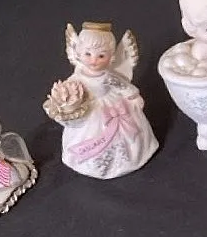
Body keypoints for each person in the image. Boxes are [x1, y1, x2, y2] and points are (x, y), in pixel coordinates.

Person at [48, 22, 159, 179]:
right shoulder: (77, 77)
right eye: (88, 54)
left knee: (123, 136)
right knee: (85, 132)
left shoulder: (108, 77)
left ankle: (124, 160)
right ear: (78, 53)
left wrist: (133, 97)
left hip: (112, 107)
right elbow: (67, 90)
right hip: (89, 110)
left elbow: (124, 86)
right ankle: (89, 160)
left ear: (111, 57)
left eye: (101, 56)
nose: (93, 60)